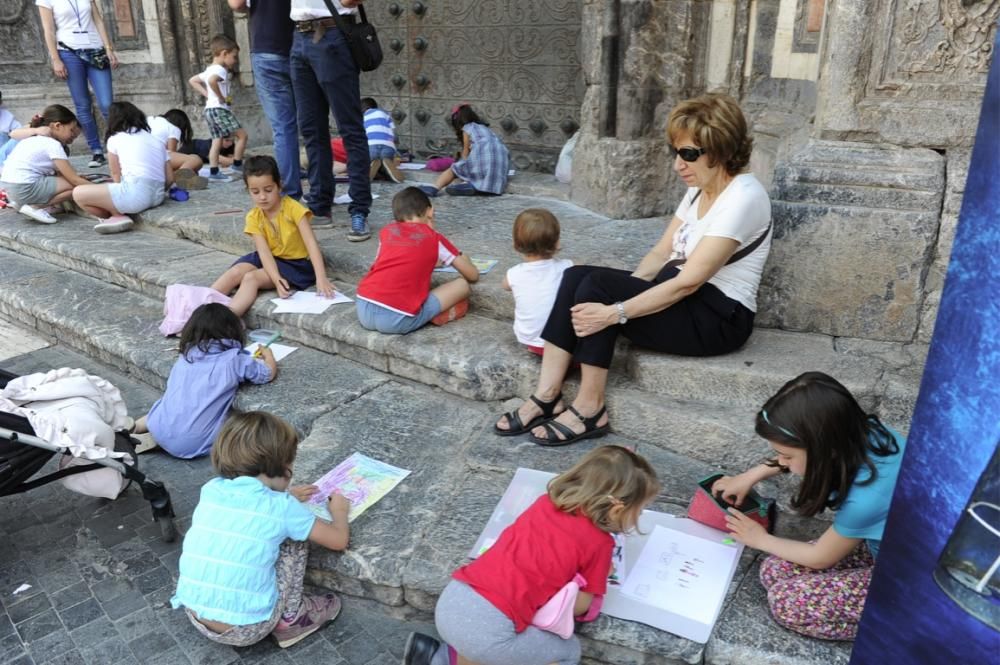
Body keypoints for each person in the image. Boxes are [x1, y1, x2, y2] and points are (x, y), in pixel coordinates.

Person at [493, 93, 771, 446]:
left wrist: (615, 312)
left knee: (597, 288)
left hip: (717, 318)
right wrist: (625, 290)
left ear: (721, 150)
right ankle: (547, 394)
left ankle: (590, 408)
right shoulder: (700, 189)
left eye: (688, 154)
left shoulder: (743, 196)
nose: (677, 165)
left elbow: (688, 282)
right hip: (683, 296)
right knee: (576, 277)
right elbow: (660, 252)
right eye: (676, 153)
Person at [402, 445, 661, 665]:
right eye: (640, 509)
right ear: (617, 510)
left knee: (490, 645)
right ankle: (443, 659)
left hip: (451, 601)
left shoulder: (545, 502)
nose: (639, 516)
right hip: (488, 632)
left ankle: (437, 656)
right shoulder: (600, 543)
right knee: (568, 652)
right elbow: (581, 606)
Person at [713, 372, 906, 640]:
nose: (783, 462)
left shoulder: (867, 497)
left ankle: (900, 625)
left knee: (786, 603)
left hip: (908, 579)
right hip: (886, 547)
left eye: (787, 456)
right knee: (773, 570)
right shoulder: (863, 433)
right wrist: (751, 475)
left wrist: (759, 539)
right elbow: (801, 452)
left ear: (825, 449)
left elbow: (821, 558)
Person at [170, 410, 350, 648]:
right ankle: (291, 620)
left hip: (195, 613)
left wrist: (285, 497)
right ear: (281, 466)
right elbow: (338, 541)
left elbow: (248, 514)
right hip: (247, 628)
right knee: (295, 537)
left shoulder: (212, 489)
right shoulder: (282, 507)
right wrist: (339, 512)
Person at [131, 303, 276, 458]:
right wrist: (269, 356)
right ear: (233, 330)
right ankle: (170, 439)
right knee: (236, 421)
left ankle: (135, 427)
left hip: (159, 425)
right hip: (192, 443)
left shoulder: (187, 354)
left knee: (165, 405)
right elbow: (266, 374)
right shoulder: (235, 359)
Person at [289, 0, 373, 241]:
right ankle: (319, 204)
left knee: (350, 129)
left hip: (333, 33)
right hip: (299, 35)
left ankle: (359, 209)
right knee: (311, 128)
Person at [211, 155, 336, 316]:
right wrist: (276, 277)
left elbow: (312, 244)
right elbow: (264, 253)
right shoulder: (253, 216)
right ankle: (199, 307)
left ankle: (227, 319)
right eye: (255, 192)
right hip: (270, 258)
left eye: (268, 190)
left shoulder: (294, 209)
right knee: (236, 272)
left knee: (251, 278)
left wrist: (321, 278)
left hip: (296, 264)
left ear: (279, 186)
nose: (262, 197)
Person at [355, 187, 479, 334]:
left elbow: (383, 263)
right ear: (430, 212)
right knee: (462, 285)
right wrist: (464, 259)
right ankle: (436, 314)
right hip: (396, 319)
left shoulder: (387, 232)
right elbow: (472, 276)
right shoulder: (434, 237)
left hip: (363, 308)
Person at [227, 0, 302, 201]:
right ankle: (322, 193)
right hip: (302, 41)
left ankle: (292, 194)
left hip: (266, 46)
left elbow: (237, 4)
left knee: (283, 127)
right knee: (314, 123)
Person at [36, 0, 119, 167]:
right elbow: (49, 29)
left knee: (107, 104)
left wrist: (109, 48)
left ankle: (117, 147)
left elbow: (98, 20)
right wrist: (56, 59)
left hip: (95, 49)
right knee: (82, 105)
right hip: (68, 51)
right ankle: (96, 150)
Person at [72, 101, 171, 234]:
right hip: (158, 197)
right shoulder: (157, 141)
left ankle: (116, 216)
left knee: (78, 193)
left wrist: (119, 193)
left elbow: (116, 174)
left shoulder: (115, 139)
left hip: (135, 196)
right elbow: (170, 178)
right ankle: (118, 212)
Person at [0, 104, 88, 224]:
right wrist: (102, 189)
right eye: (71, 131)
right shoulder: (51, 143)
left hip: (9, 186)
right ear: (57, 126)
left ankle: (27, 203)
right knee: (77, 186)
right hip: (21, 187)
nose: (72, 139)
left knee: (70, 181)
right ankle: (36, 206)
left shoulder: (33, 137)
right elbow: (74, 180)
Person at [502, 209, 573, 356]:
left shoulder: (514, 273)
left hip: (531, 340)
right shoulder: (567, 267)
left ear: (515, 244)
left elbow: (505, 285)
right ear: (557, 242)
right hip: (563, 343)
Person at [188, 34, 248, 182]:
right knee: (242, 136)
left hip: (209, 110)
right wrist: (220, 97)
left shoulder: (209, 69)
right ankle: (237, 164)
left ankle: (214, 171)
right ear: (224, 54)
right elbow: (212, 80)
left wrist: (208, 95)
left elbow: (193, 80)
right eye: (234, 57)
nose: (234, 61)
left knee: (217, 140)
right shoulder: (220, 70)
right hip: (220, 110)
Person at [418, 105, 510, 197]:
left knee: (454, 169)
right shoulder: (485, 129)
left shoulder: (467, 128)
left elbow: (466, 153)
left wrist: (459, 164)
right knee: (474, 167)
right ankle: (472, 186)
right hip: (501, 164)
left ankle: (434, 188)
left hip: (484, 160)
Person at [148, 109, 205, 188]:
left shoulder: (150, 119)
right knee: (196, 160)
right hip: (155, 157)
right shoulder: (173, 128)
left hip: (143, 157)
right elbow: (171, 153)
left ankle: (183, 178)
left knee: (193, 158)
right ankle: (174, 181)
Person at [362, 97, 404, 183]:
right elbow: (394, 134)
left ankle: (372, 165)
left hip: (372, 146)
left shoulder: (363, 117)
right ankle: (388, 167)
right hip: (388, 146)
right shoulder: (385, 114)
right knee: (387, 161)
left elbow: (361, 135)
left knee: (366, 161)